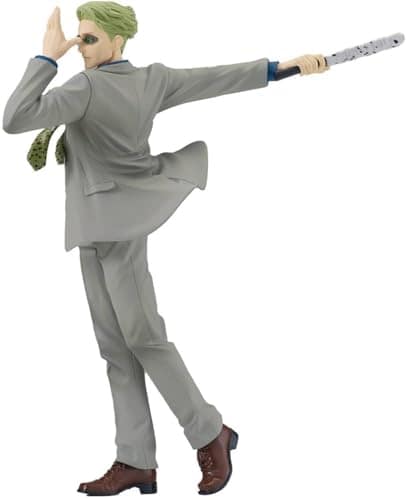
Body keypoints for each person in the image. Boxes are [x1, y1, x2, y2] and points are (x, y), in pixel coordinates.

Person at [2, 2, 328, 495]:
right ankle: (136, 460)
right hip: (96, 225)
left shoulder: (84, 88)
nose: (80, 48)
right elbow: (215, 79)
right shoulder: (150, 80)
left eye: (89, 39)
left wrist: (46, 58)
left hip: (115, 227)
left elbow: (15, 118)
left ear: (117, 41)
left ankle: (210, 431)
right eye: (78, 38)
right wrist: (277, 69)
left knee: (144, 338)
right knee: (116, 348)